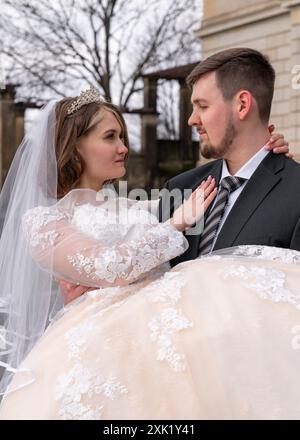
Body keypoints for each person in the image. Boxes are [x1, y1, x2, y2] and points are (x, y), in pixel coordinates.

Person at [0, 85, 299, 420]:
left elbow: (220, 196)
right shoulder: (45, 222)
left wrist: (264, 156)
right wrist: (175, 224)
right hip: (106, 347)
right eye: (110, 137)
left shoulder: (136, 206)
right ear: (75, 146)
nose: (124, 148)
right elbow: (109, 266)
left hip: (172, 341)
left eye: (123, 136)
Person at [159, 47, 300, 267]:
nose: (191, 120)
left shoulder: (295, 192)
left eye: (202, 107)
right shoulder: (178, 188)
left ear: (242, 105)